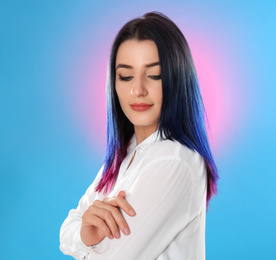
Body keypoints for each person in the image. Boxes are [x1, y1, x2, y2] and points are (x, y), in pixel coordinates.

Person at [59, 11, 218, 260]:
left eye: (154, 75)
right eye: (125, 76)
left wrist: (85, 243)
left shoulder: (173, 161)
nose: (137, 90)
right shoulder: (127, 152)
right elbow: (67, 230)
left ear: (177, 78)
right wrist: (85, 234)